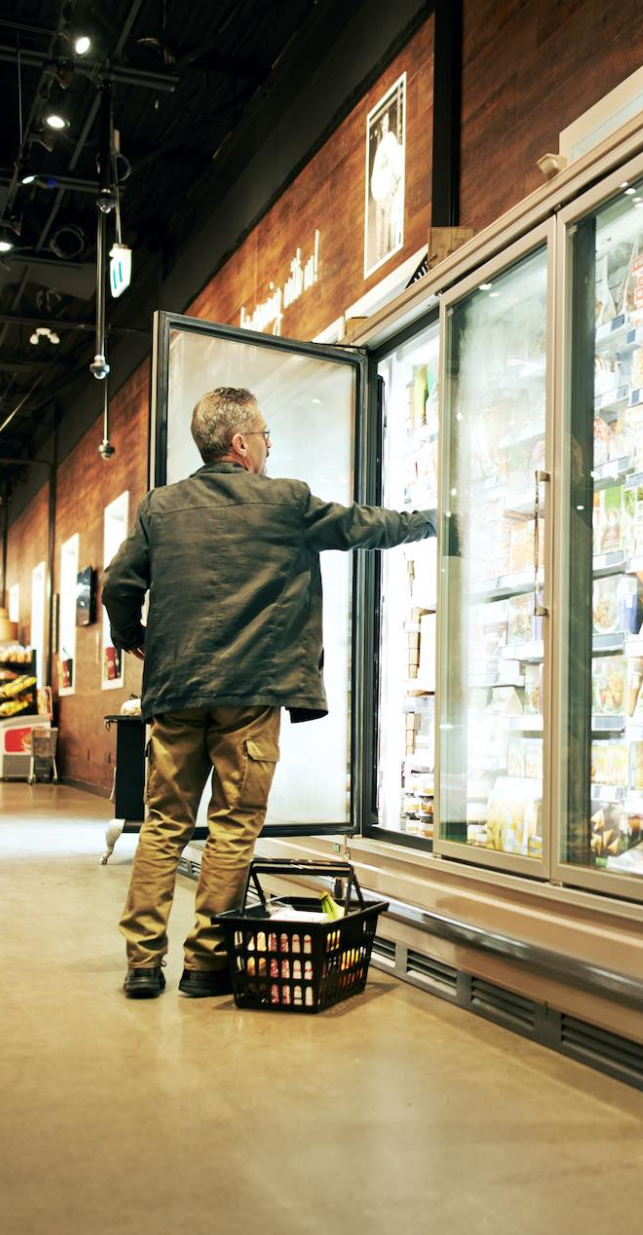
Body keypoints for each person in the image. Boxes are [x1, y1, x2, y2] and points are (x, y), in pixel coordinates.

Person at [101, 385, 436, 1000]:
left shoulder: (160, 508)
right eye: (264, 435)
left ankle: (143, 964)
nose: (269, 444)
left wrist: (134, 636)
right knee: (233, 826)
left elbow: (118, 584)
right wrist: (433, 523)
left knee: (162, 825)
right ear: (240, 443)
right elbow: (364, 526)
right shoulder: (287, 501)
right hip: (251, 695)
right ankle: (206, 964)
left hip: (176, 692)